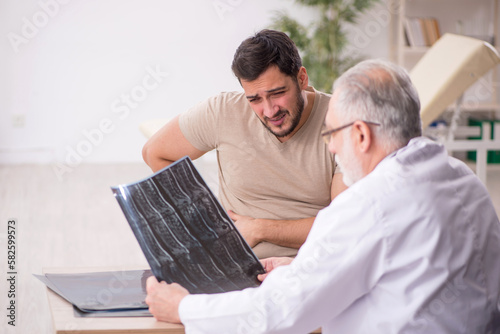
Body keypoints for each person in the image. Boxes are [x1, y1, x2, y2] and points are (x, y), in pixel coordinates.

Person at [144, 59, 500, 333]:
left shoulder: (369, 205)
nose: (330, 148)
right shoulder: (462, 179)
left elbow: (280, 313)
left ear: (361, 135)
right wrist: (300, 266)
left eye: (332, 133)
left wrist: (183, 308)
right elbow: (397, 264)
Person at [142, 29, 346, 259]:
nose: (269, 111)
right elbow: (155, 152)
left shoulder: (341, 121)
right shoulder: (223, 111)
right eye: (255, 99)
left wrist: (260, 229)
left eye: (277, 93)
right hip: (233, 267)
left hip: (311, 267)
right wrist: (200, 218)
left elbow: (345, 223)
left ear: (301, 78)